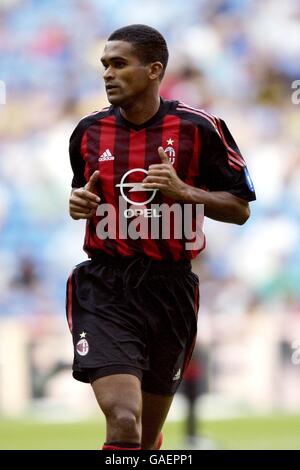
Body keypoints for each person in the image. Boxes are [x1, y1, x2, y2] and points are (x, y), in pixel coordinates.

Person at [66, 24, 256, 451]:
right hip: (106, 287)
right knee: (123, 420)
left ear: (154, 70)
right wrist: (76, 204)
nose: (108, 74)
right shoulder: (88, 132)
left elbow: (241, 209)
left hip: (170, 291)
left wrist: (185, 193)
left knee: (146, 441)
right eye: (104, 65)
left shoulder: (200, 128)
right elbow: (83, 195)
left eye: (119, 64)